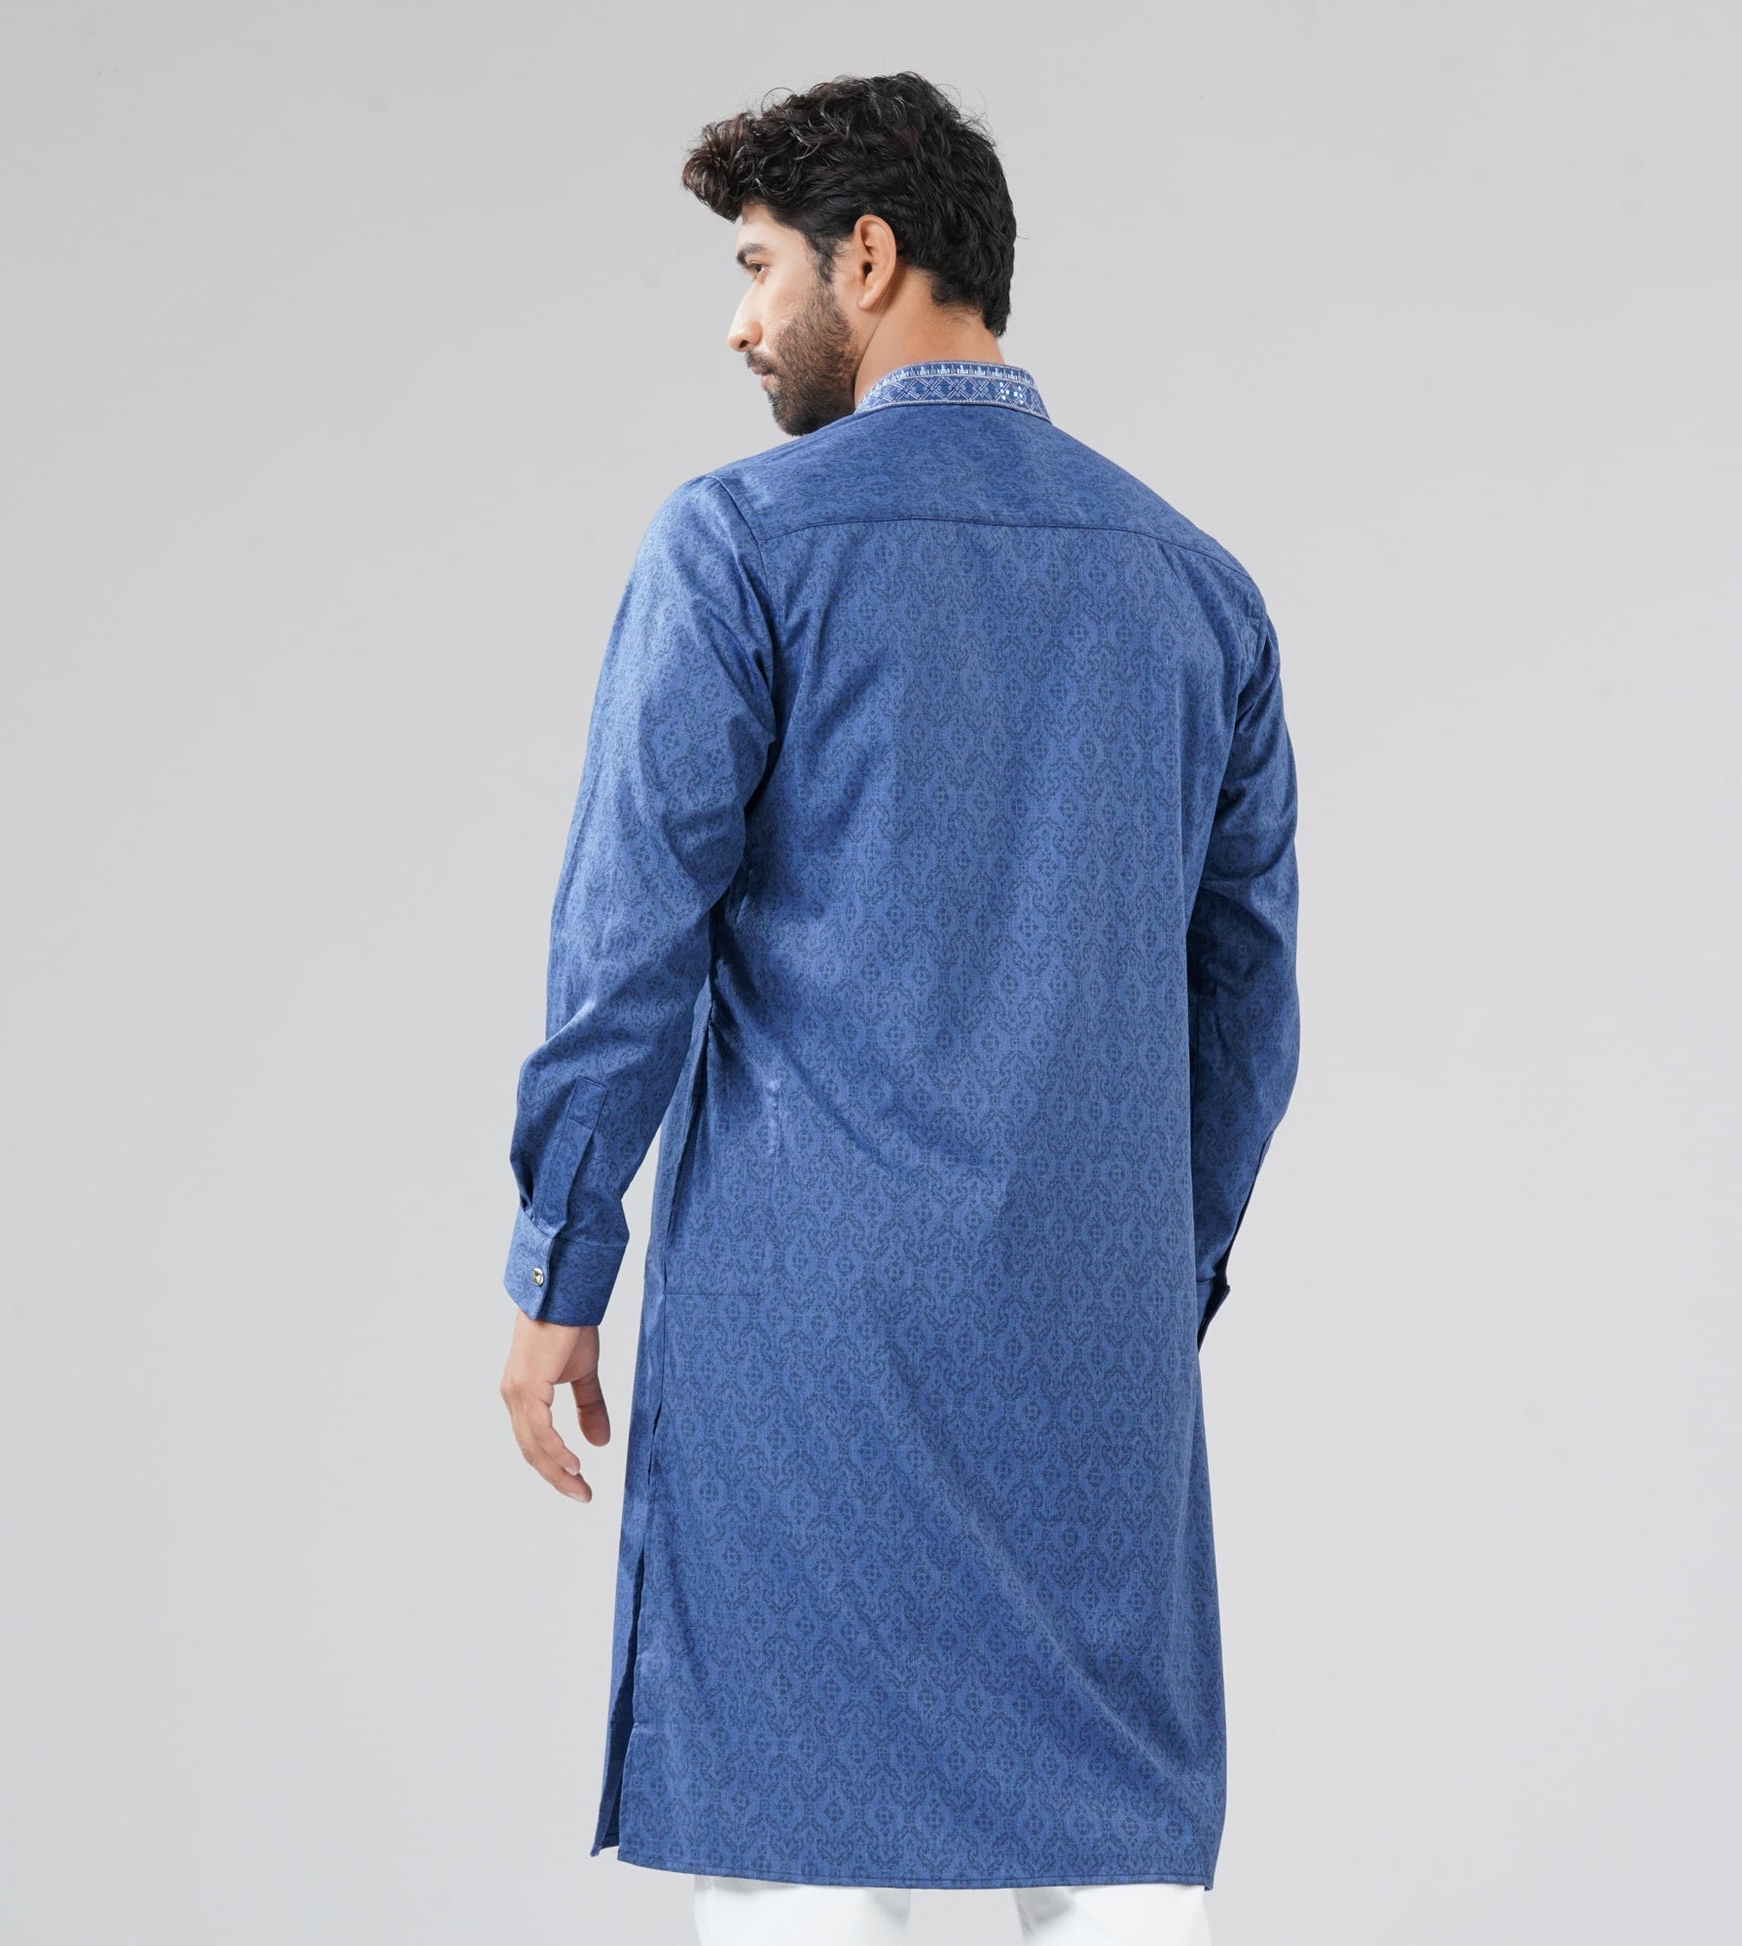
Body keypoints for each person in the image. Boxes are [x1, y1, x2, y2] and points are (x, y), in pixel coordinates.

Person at [496, 71, 1300, 1946]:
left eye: (756, 268)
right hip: (1090, 1375)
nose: (738, 322)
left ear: (867, 258)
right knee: (1112, 1877)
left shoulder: (740, 543)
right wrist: (1142, 1278)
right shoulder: (1198, 588)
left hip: (805, 1360)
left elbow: (628, 945)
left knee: (800, 1869)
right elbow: (1247, 1004)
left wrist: (558, 1266)